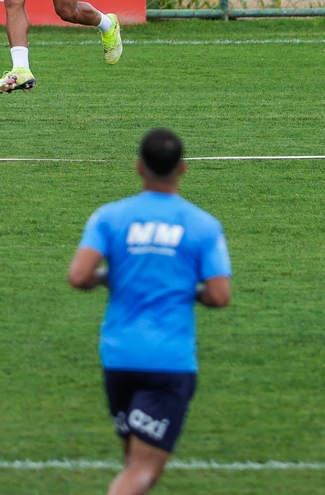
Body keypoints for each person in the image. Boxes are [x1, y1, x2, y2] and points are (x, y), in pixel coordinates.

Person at [67, 129, 232, 495]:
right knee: (143, 470)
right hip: (168, 362)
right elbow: (220, 295)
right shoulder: (202, 224)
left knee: (134, 461)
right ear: (184, 169)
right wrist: (185, 288)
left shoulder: (110, 217)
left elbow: (79, 276)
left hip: (119, 356)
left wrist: (109, 276)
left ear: (139, 168)